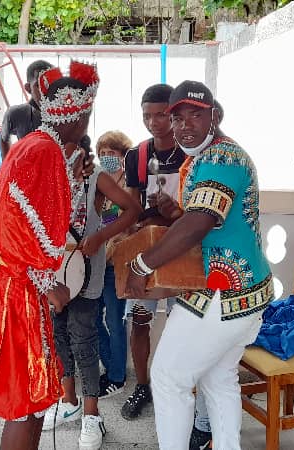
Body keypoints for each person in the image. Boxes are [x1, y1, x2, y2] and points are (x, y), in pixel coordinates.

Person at [125, 81, 273, 450]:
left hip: (223, 293)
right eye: (177, 117)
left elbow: (201, 221)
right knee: (219, 379)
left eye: (196, 114)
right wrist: (176, 213)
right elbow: (206, 218)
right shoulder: (210, 155)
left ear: (215, 116)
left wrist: (142, 264)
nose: (184, 125)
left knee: (168, 377)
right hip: (245, 292)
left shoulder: (221, 159)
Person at [0, 60, 98, 450]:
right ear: (81, 114)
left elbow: (37, 213)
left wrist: (72, 176)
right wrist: (47, 282)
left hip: (14, 280)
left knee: (34, 396)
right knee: (25, 398)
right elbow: (17, 225)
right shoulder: (41, 151)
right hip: (12, 285)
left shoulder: (42, 147)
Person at [43, 134, 141, 450]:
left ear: (82, 151)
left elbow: (132, 209)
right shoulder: (46, 174)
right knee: (59, 335)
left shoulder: (95, 176)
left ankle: (92, 414)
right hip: (53, 269)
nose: (66, 155)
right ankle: (67, 399)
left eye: (72, 150)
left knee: (83, 338)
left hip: (86, 268)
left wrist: (101, 236)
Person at [119, 83, 186, 421]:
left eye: (161, 114)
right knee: (139, 320)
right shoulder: (137, 155)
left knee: (183, 321)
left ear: (174, 114)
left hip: (182, 249)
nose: (154, 122)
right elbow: (130, 205)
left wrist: (176, 210)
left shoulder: (191, 154)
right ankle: (142, 385)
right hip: (145, 250)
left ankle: (177, 386)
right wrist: (127, 230)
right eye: (147, 116)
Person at [93, 130, 134, 400]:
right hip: (95, 262)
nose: (107, 158)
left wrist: (106, 248)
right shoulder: (98, 182)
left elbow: (128, 226)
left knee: (114, 321)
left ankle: (117, 376)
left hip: (117, 262)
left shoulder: (129, 184)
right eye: (103, 153)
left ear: (123, 155)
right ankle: (112, 367)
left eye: (113, 153)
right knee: (93, 319)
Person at [0, 60, 55, 160]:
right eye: (39, 85)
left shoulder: (66, 115)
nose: (46, 91)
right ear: (28, 88)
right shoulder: (15, 113)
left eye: (51, 84)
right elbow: (3, 138)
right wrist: (7, 165)